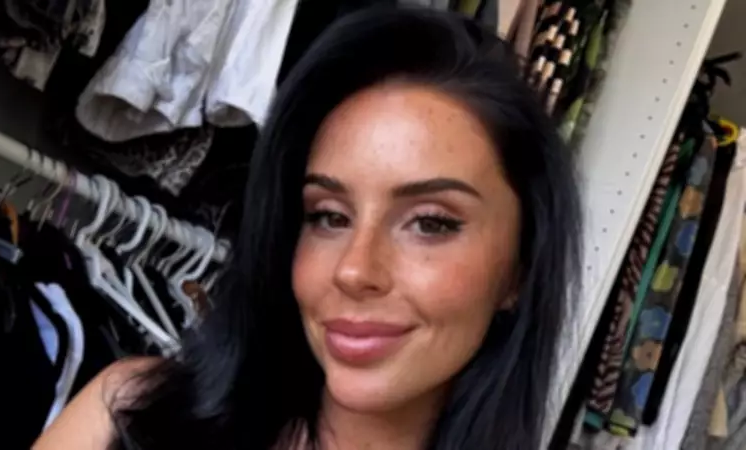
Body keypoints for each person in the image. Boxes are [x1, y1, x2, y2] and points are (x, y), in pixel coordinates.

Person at [35, 7, 582, 450]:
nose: (354, 269)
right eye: (329, 216)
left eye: (431, 223)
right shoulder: (131, 415)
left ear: (518, 269)